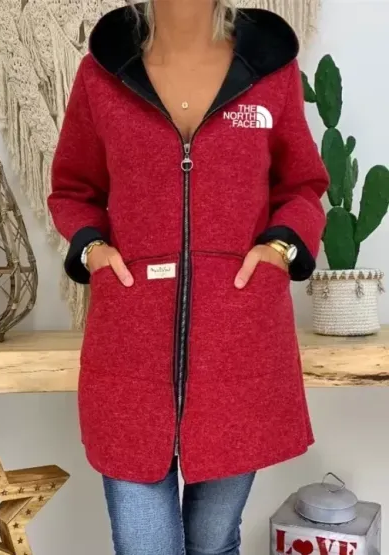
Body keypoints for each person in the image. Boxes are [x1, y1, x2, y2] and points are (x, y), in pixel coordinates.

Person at [47, 1, 329, 553]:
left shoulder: (270, 70)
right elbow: (73, 189)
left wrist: (279, 248)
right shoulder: (103, 72)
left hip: (239, 349)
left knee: (213, 543)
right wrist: (93, 248)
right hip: (130, 350)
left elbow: (302, 185)